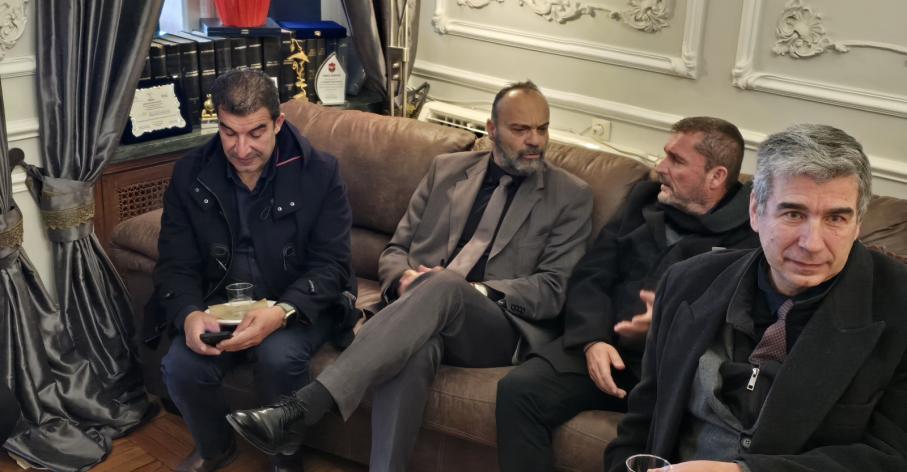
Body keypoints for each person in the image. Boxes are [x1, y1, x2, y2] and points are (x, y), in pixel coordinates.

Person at [226, 81, 594, 471]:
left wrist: (472, 290)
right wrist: (403, 278)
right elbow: (394, 249)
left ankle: (305, 406)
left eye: (542, 128)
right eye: (520, 129)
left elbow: (553, 289)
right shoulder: (447, 170)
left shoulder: (570, 196)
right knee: (413, 352)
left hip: (495, 327)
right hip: (419, 314)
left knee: (446, 285)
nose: (535, 140)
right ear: (492, 129)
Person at [604, 124, 907, 472]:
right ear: (755, 211)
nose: (812, 243)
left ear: (857, 224)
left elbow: (892, 456)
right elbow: (640, 426)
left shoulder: (898, 304)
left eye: (836, 218)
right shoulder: (687, 282)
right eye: (793, 214)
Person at [496, 117, 759, 471]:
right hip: (607, 347)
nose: (660, 167)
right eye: (665, 155)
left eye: (676, 160)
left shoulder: (750, 233)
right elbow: (592, 274)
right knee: (518, 391)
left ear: (716, 176)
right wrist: (592, 340)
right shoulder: (644, 200)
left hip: (674, 370)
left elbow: (737, 318)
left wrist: (664, 326)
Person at [149, 69, 356, 472]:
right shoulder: (190, 172)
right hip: (220, 303)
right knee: (180, 365)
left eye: (255, 133)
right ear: (217, 123)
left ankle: (286, 461)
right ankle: (216, 449)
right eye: (229, 133)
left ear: (278, 123)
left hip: (298, 302)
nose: (241, 149)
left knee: (278, 357)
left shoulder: (320, 172)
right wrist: (188, 314)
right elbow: (175, 263)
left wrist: (281, 312)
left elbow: (332, 265)